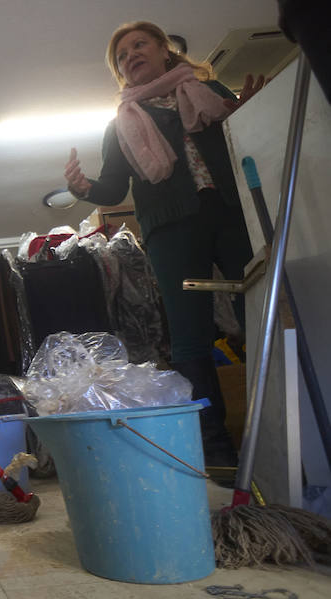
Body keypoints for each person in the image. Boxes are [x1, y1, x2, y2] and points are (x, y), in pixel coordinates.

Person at [63, 21, 265, 467]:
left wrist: (250, 112)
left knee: (261, 321)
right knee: (190, 339)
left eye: (139, 45)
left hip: (232, 215)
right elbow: (113, 191)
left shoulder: (210, 92)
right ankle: (215, 449)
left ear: (164, 50)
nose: (130, 55)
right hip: (170, 230)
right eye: (121, 55)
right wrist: (83, 188)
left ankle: (281, 431)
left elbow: (250, 140)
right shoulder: (120, 125)